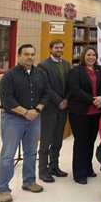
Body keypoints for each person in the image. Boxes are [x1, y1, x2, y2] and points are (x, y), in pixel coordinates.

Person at [0, 44, 52, 202]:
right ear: (18, 56)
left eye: (32, 54)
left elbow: (47, 93)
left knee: (31, 153)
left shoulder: (40, 73)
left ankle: (29, 181)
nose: (30, 57)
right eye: (26, 54)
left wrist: (37, 110)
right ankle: (3, 189)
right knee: (7, 156)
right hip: (13, 120)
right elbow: (7, 99)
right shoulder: (9, 76)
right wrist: (26, 112)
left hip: (34, 120)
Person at [67, 46, 101, 185]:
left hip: (97, 112)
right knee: (81, 143)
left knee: (91, 141)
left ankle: (88, 168)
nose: (91, 57)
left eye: (93, 55)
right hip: (80, 112)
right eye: (88, 55)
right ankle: (79, 173)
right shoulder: (76, 71)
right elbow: (75, 89)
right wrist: (93, 99)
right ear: (83, 56)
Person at [37, 39, 70, 183]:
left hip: (63, 108)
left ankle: (54, 166)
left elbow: (70, 85)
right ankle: (43, 171)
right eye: (56, 47)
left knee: (58, 140)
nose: (59, 49)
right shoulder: (43, 65)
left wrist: (66, 100)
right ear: (50, 49)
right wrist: (59, 101)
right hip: (50, 108)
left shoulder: (67, 64)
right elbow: (45, 87)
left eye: (61, 47)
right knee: (46, 140)